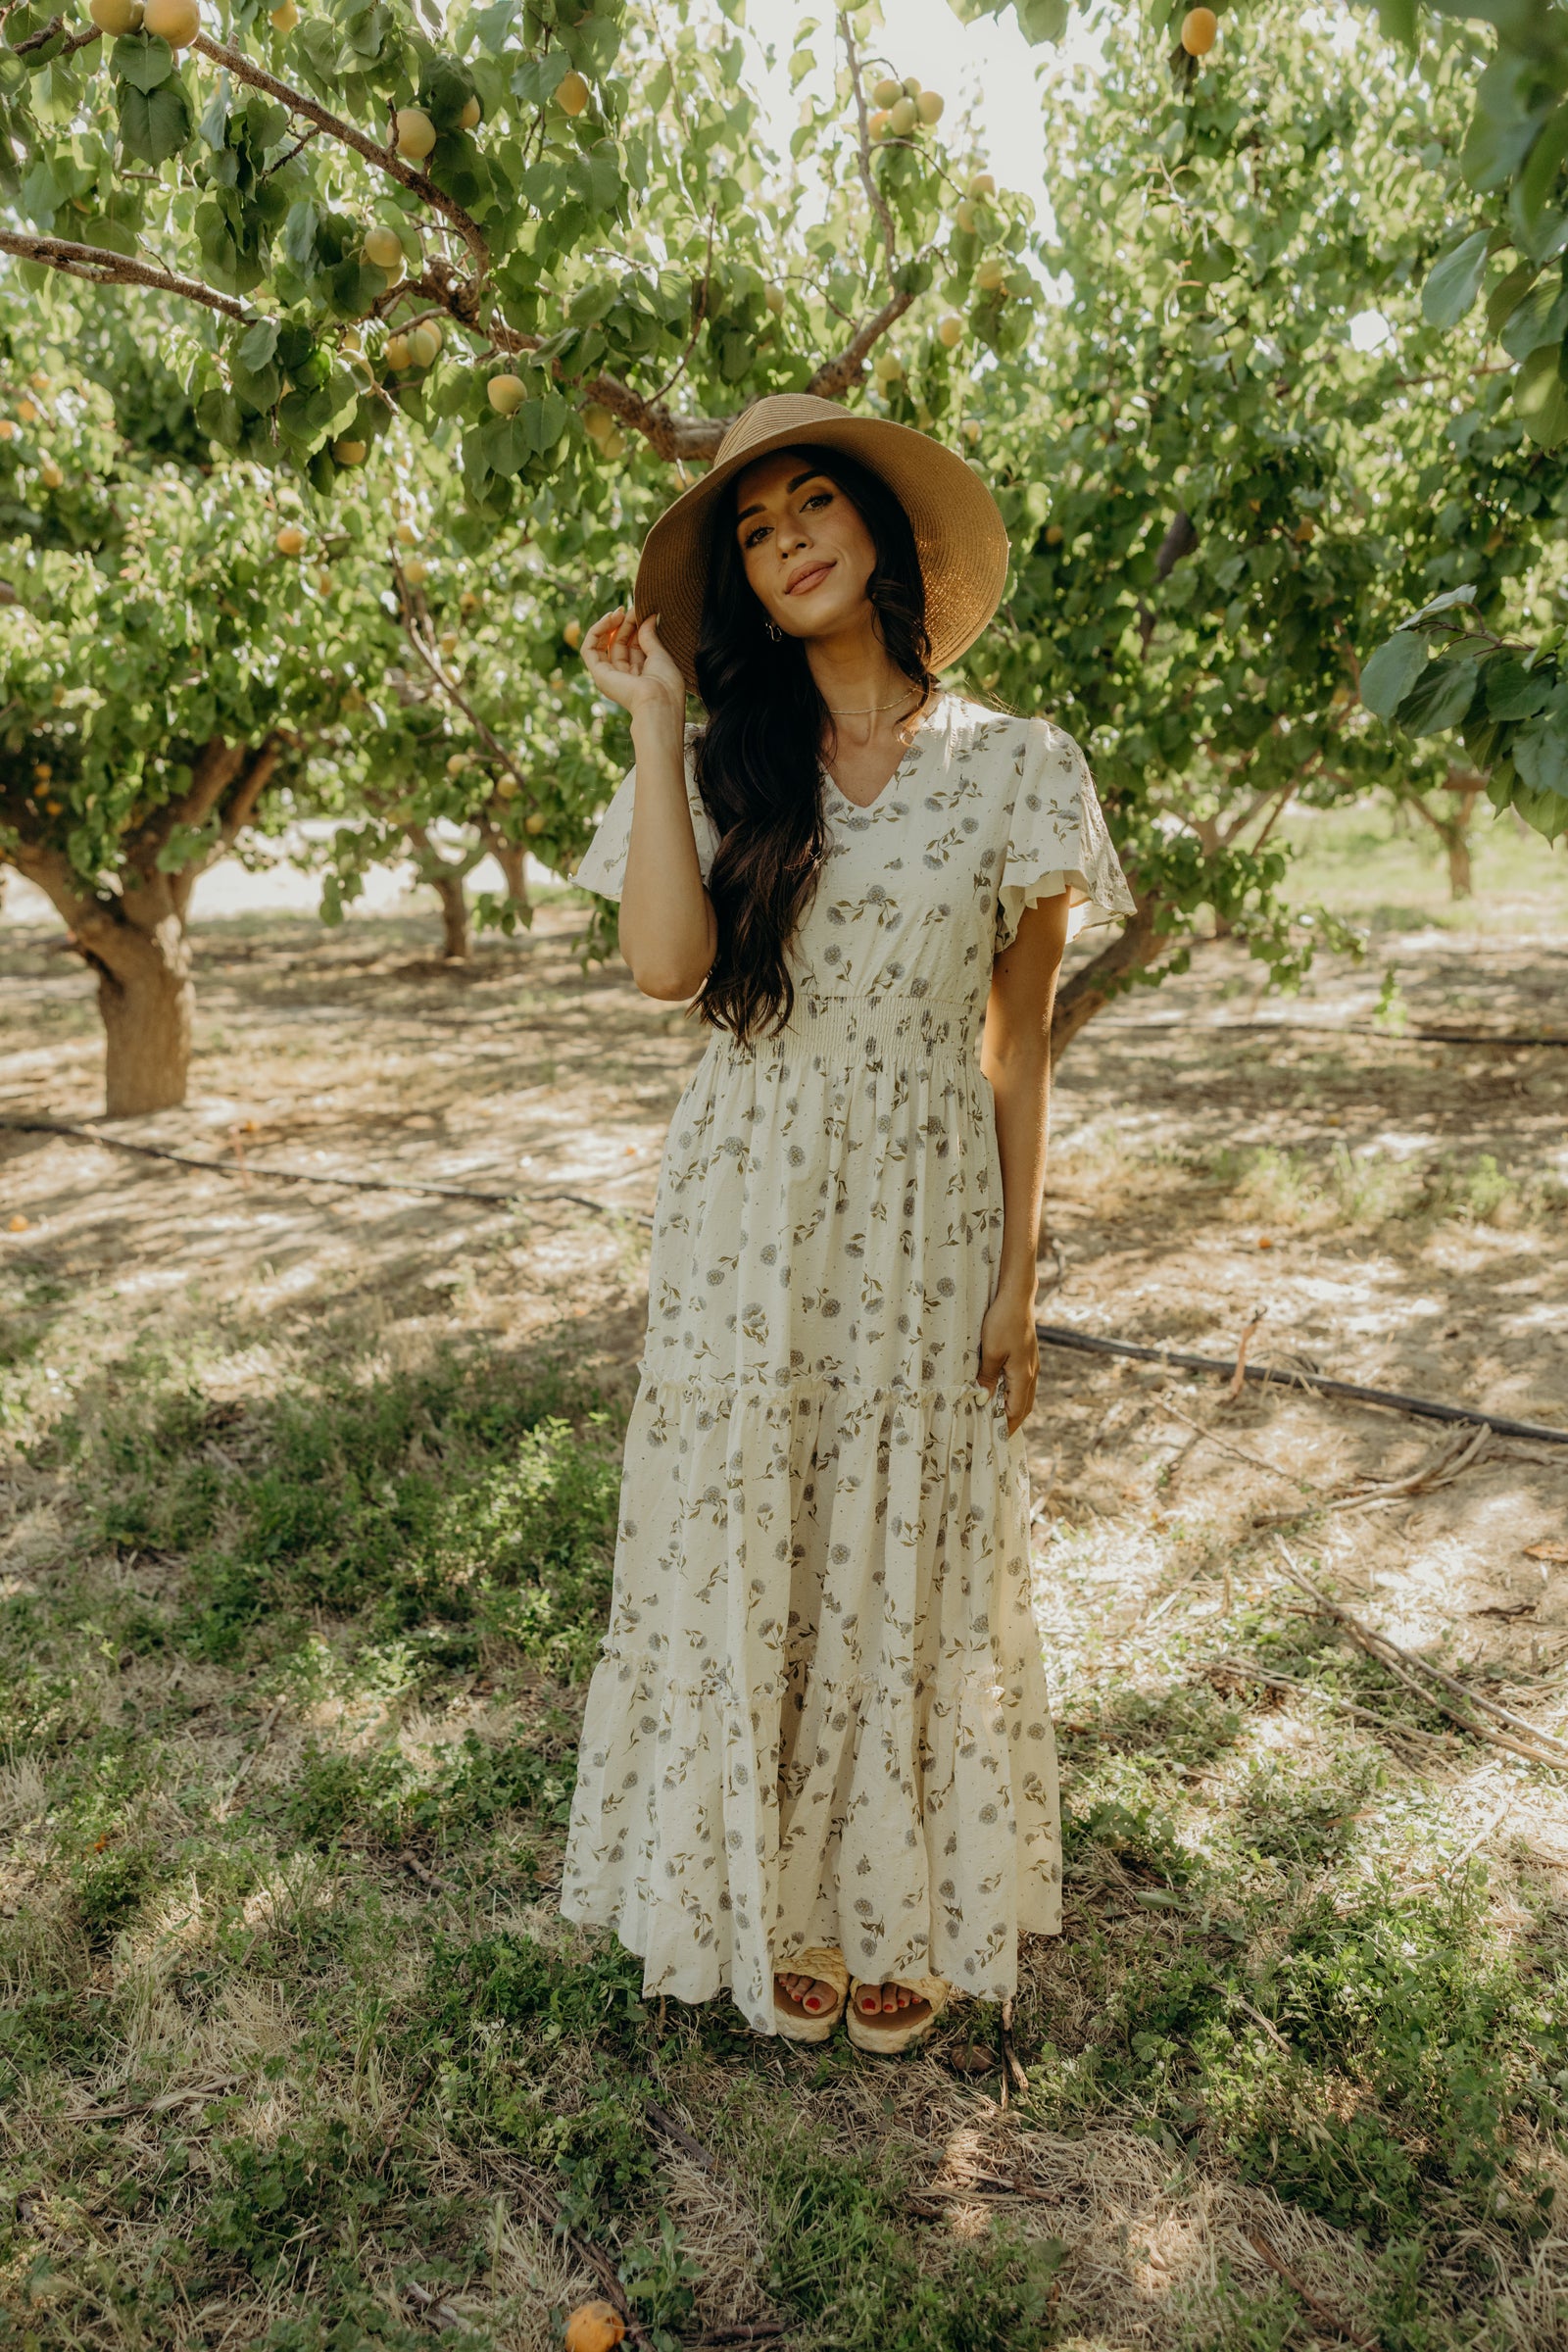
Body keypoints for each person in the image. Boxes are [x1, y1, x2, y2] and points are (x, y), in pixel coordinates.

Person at [560, 391, 1135, 2055]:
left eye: (813, 503)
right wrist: (655, 726)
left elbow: (1017, 1046)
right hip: (749, 1193)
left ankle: (885, 1898)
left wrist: (1019, 1277)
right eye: (753, 526)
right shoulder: (739, 761)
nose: (787, 537)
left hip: (926, 1196)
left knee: (902, 1539)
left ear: (881, 533)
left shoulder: (1021, 765)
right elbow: (668, 972)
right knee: (759, 1523)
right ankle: (773, 1899)